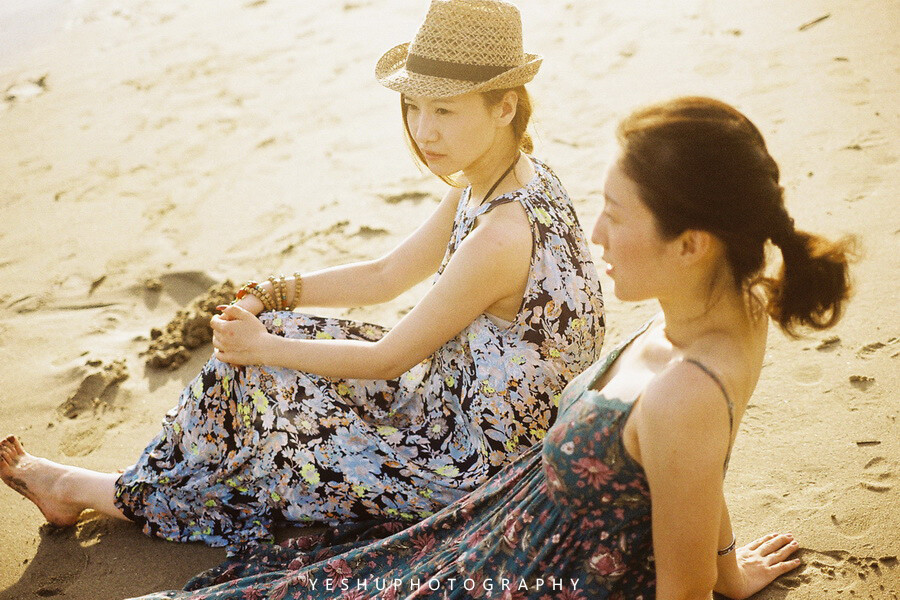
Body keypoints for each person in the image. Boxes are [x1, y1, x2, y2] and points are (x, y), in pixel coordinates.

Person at [121, 96, 854, 600]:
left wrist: (711, 578)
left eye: (616, 216)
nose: (593, 235)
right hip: (501, 522)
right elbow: (699, 465)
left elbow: (681, 584)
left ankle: (126, 495)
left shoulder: (688, 387)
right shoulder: (729, 310)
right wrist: (727, 567)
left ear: (691, 244)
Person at [0, 0, 605, 552]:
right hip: (454, 408)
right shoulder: (503, 178)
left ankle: (93, 489)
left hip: (470, 469)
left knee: (265, 388)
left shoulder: (502, 233)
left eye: (444, 109)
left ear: (504, 105)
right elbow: (385, 274)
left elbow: (390, 358)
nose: (424, 131)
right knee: (271, 350)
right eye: (413, 107)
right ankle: (123, 484)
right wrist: (272, 295)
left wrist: (262, 344)